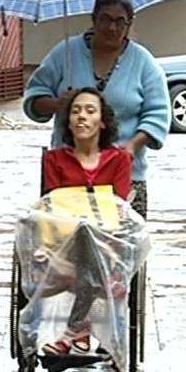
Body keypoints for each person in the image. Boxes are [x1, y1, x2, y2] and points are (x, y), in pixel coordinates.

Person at [23, 0, 171, 221]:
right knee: (66, 245)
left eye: (120, 21)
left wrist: (131, 147)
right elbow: (34, 97)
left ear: (129, 24)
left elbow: (158, 114)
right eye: (105, 19)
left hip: (124, 172)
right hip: (68, 172)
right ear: (93, 19)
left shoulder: (143, 62)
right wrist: (57, 104)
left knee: (121, 246)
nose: (112, 27)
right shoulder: (66, 53)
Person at [36, 87, 131, 355]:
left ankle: (73, 333)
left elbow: (117, 208)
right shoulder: (55, 160)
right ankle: (82, 331)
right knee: (81, 234)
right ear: (67, 121)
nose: (82, 117)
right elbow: (53, 206)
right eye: (75, 111)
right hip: (62, 245)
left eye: (90, 111)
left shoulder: (119, 159)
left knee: (89, 237)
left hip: (106, 246)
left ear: (102, 121)